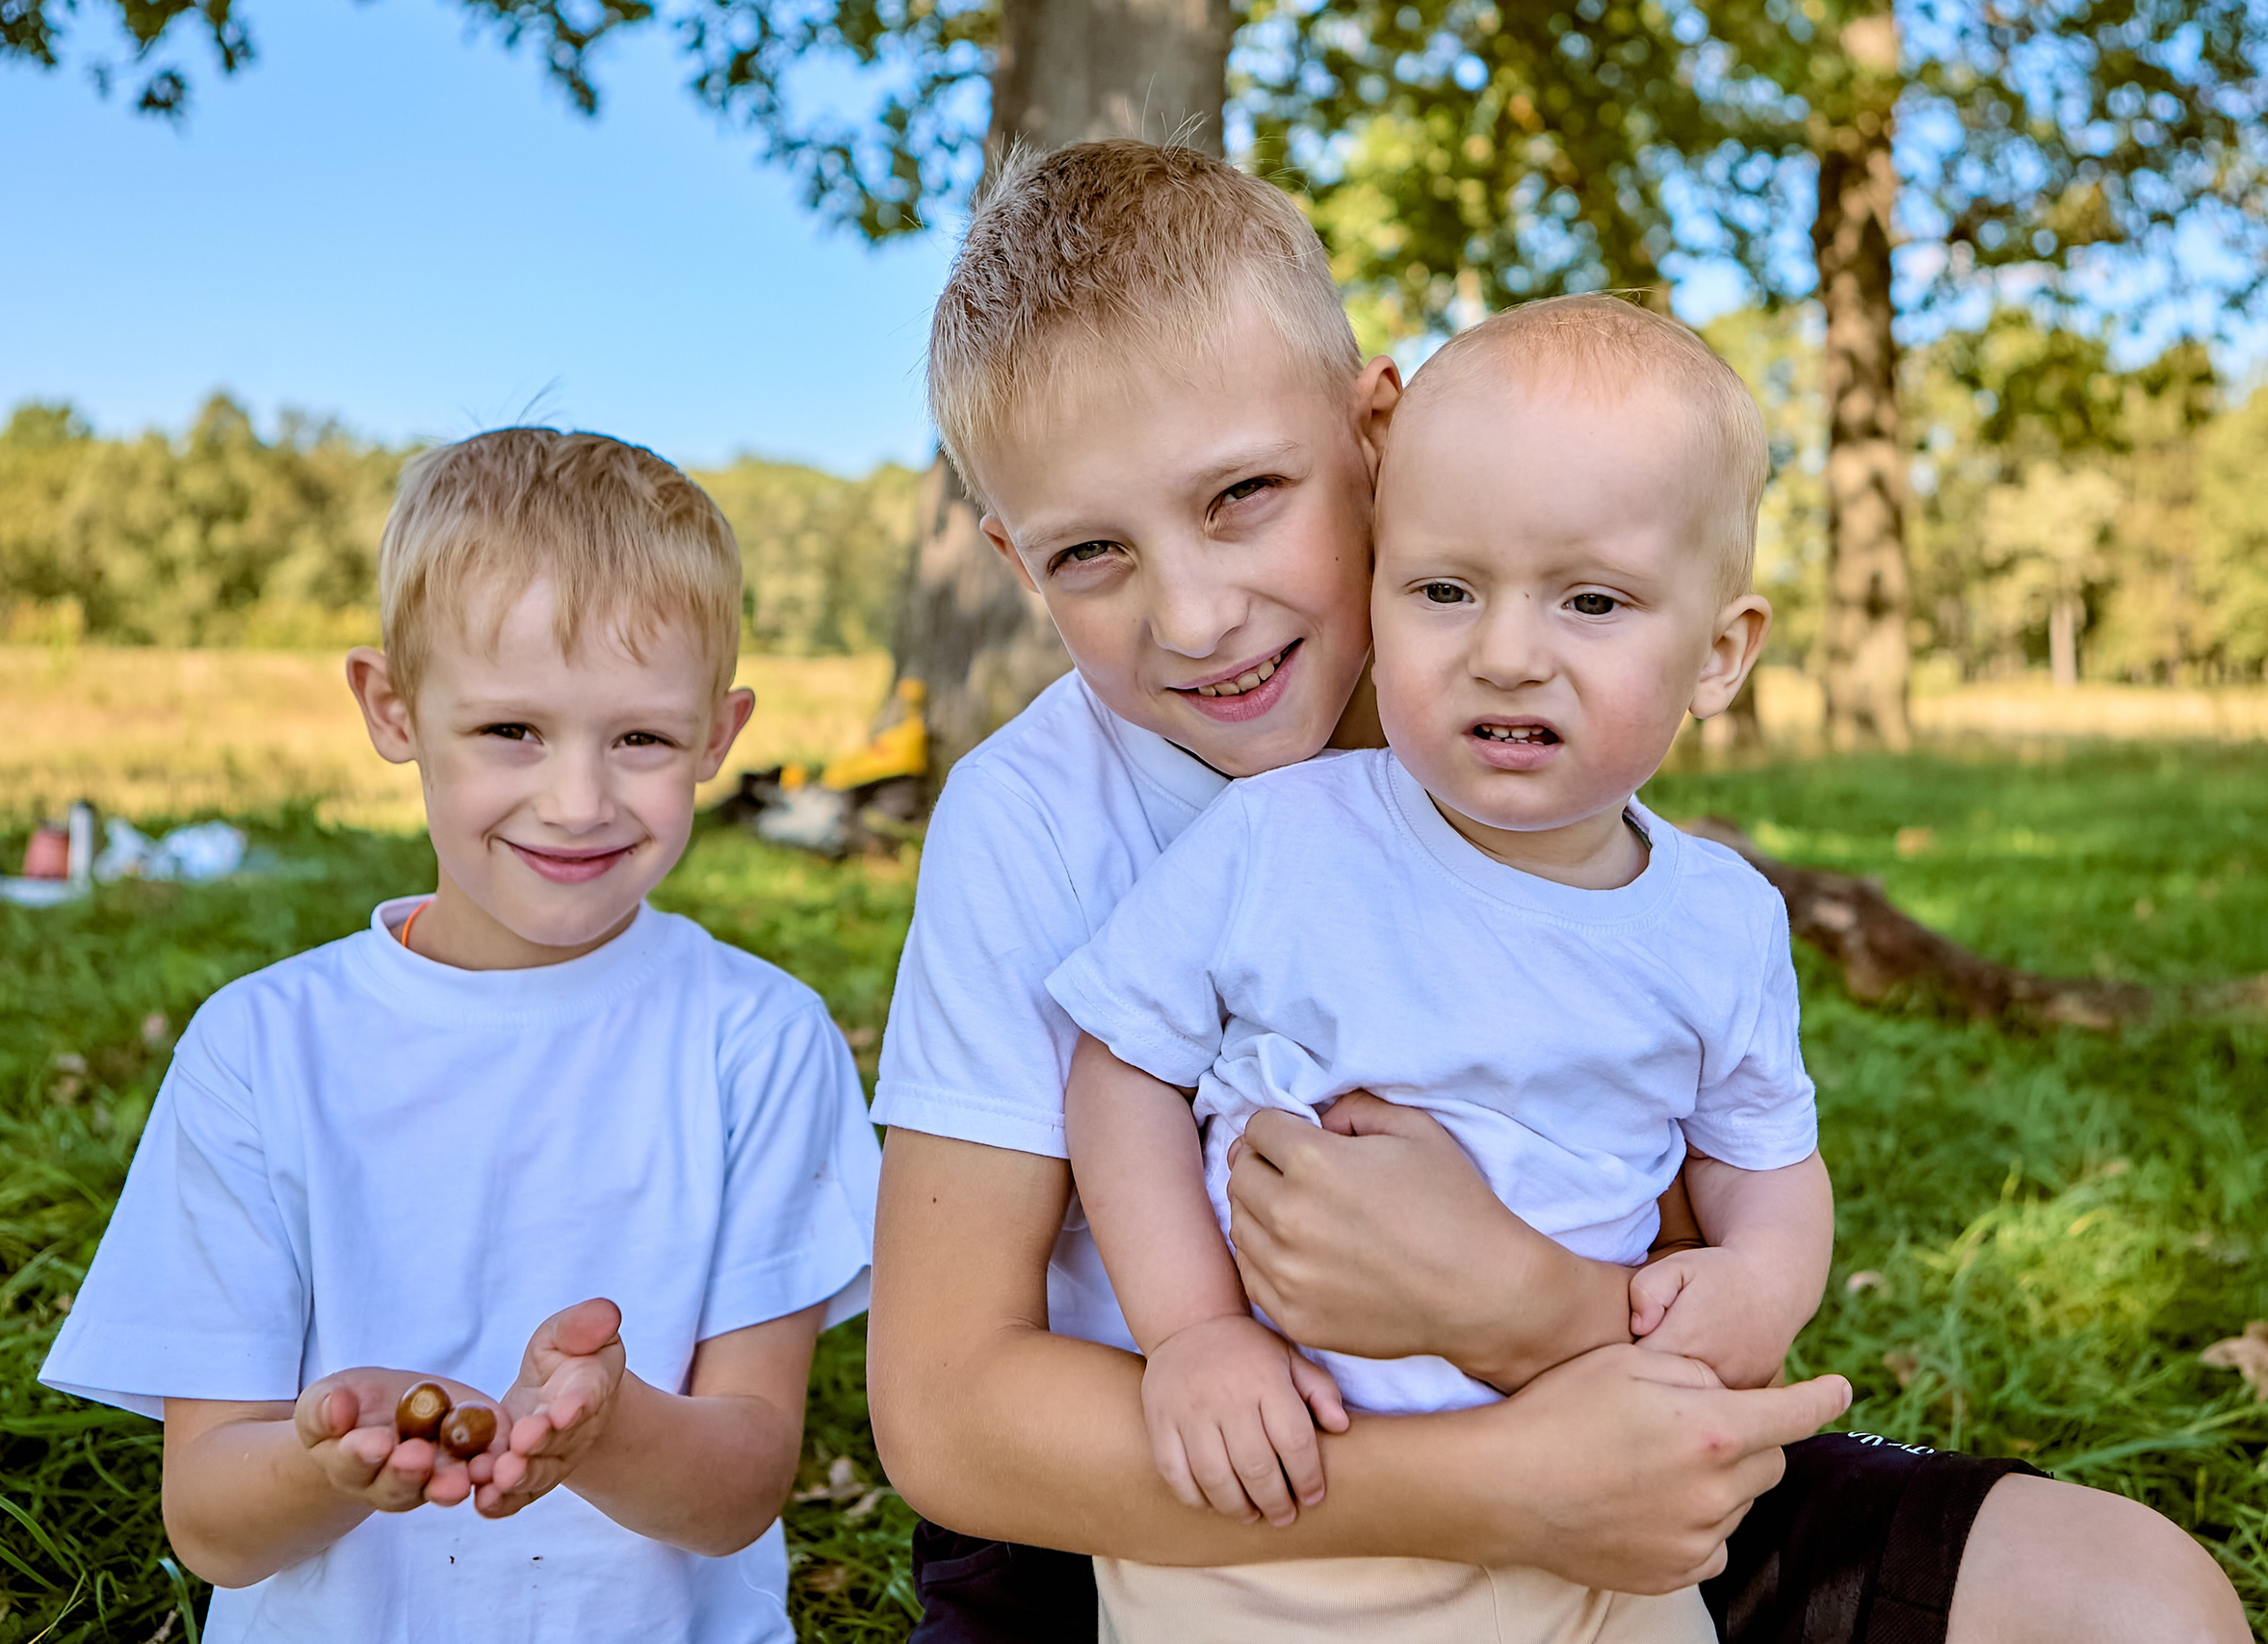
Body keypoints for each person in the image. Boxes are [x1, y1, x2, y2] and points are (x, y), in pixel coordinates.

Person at [866, 139, 2247, 1644]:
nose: (1194, 614)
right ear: (1017, 563)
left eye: (1245, 494)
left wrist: (1516, 1306)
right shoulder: (1034, 818)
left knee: (2140, 1602)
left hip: (1593, 1449)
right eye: (1090, 552)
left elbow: (1694, 1236)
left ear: (1376, 429)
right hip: (1168, 1504)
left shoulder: (1536, 748)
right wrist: (1487, 1486)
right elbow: (948, 1414)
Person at [1046, 294, 1831, 1642]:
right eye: (1444, 590)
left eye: (1592, 601)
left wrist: (1763, 1282)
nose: (1506, 653)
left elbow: (1764, 1157)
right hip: (1277, 1514)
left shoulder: (1721, 922)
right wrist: (1193, 1332)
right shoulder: (1284, 837)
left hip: (1598, 1524)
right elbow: (1121, 1070)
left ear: (1718, 653)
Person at [39, 429, 883, 1644]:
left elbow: (739, 1487)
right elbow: (213, 1525)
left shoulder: (759, 1041)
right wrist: (329, 1459)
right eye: (510, 732)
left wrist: (604, 1428)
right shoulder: (261, 1051)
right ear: (392, 707)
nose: (578, 802)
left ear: (718, 735)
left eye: (641, 739)